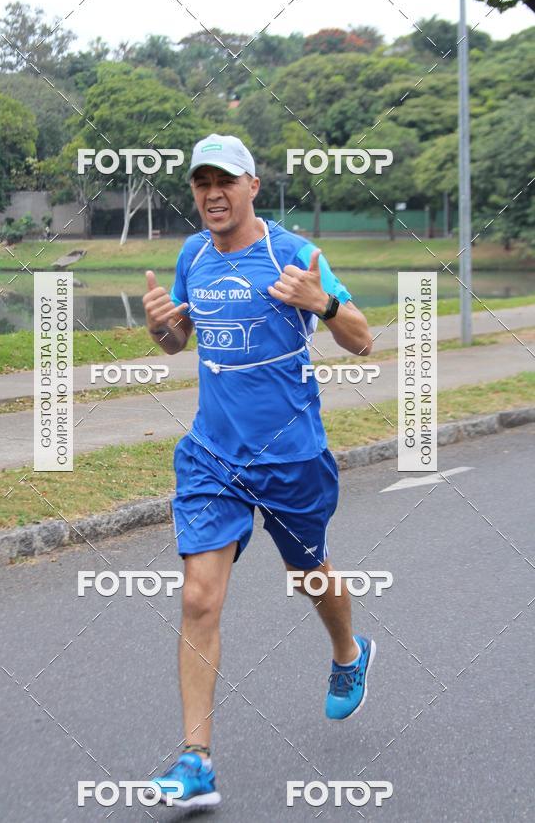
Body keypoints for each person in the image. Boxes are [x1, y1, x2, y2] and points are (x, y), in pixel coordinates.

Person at [143, 134, 375, 809]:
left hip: (292, 456)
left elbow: (362, 339)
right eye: (200, 183)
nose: (211, 194)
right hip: (212, 454)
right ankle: (196, 762)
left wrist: (322, 303)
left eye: (224, 181)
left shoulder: (295, 253)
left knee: (307, 573)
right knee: (198, 597)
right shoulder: (193, 254)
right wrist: (160, 325)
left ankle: (347, 654)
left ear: (253, 186)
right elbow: (179, 340)